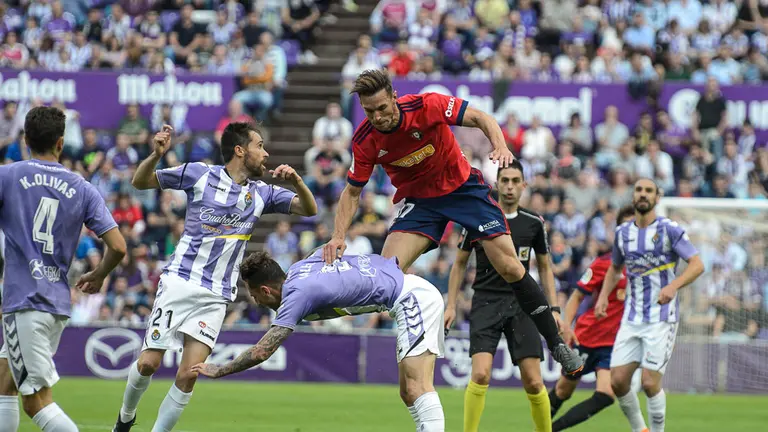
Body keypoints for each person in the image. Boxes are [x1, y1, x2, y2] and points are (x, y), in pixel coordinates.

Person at [322, 68, 583, 375]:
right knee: (385, 275)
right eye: (370, 112)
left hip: (464, 191)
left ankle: (556, 344)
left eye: (382, 108)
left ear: (394, 97)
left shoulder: (426, 105)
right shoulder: (365, 139)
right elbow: (352, 192)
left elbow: (481, 118)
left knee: (512, 267)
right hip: (421, 203)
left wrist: (499, 146)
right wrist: (338, 235)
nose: (378, 117)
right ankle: (374, 322)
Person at [112, 122, 317, 432]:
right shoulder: (199, 174)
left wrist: (298, 181)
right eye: (259, 145)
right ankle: (125, 419)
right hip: (180, 281)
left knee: (189, 373)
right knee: (147, 364)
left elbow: (308, 208)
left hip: (216, 295)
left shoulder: (262, 192)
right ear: (239, 150)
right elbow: (140, 182)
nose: (266, 152)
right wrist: (156, 155)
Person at [192, 250, 447, 431]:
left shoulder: (296, 295)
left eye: (256, 296)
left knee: (418, 387)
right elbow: (326, 252)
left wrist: (220, 369)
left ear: (266, 290)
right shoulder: (300, 268)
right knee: (408, 392)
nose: (256, 302)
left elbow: (261, 352)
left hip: (413, 299)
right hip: (407, 292)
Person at [0, 106, 127, 432]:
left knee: (36, 402)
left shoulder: (9, 176)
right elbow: (118, 246)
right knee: (5, 380)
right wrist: (98, 276)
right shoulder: (83, 188)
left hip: (25, 300)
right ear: (61, 143)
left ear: (25, 140)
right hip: (56, 300)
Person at [444, 161, 558, 432]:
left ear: (523, 185)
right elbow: (459, 263)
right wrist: (451, 305)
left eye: (514, 181)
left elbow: (544, 267)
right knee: (480, 374)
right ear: (496, 184)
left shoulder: (534, 223)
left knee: (533, 381)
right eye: (504, 180)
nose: (509, 186)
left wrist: (554, 308)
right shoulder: (479, 218)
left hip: (523, 305)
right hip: (485, 301)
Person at [595, 178, 704, 432]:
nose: (643, 194)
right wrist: (602, 297)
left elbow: (697, 264)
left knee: (649, 382)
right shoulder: (623, 233)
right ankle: (640, 429)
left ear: (657, 197)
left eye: (648, 191)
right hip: (632, 318)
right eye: (639, 190)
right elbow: (615, 268)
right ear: (633, 196)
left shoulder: (670, 230)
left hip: (661, 318)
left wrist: (673, 286)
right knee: (619, 382)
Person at [548, 205, 637, 431]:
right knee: (563, 390)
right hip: (588, 338)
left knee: (606, 395)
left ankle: (552, 429)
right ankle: (540, 426)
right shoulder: (604, 263)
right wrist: (567, 326)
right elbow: (576, 296)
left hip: (614, 345)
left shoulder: (644, 268)